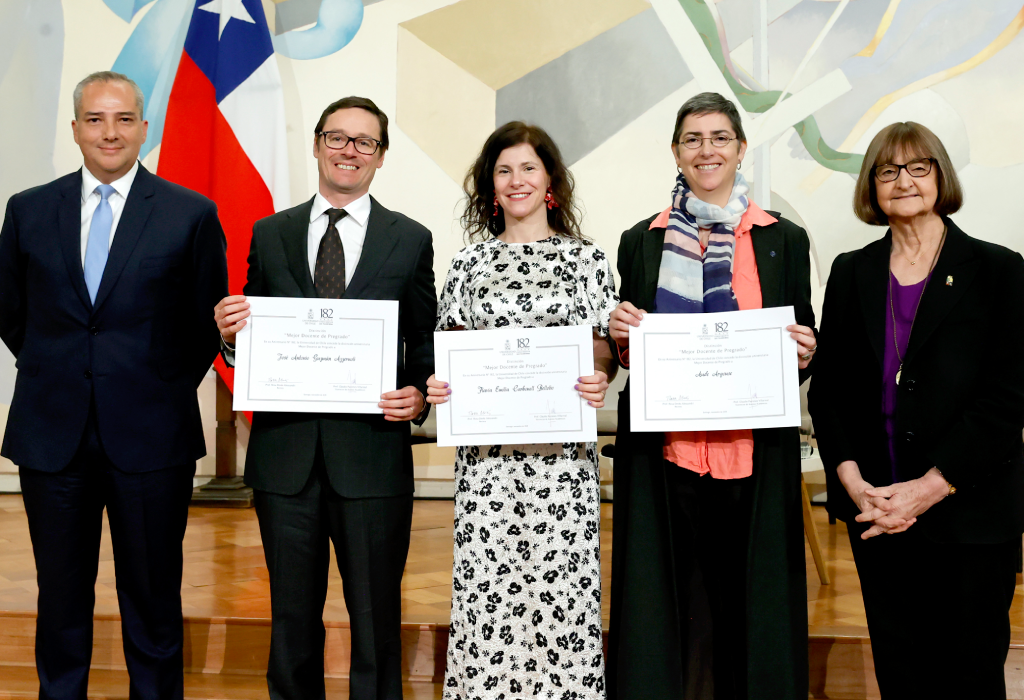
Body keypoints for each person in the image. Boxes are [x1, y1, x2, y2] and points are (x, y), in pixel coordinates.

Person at [0, 71, 228, 700]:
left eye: (124, 118)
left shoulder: (189, 214)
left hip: (152, 438)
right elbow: (13, 314)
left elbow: (205, 324)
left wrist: (155, 383)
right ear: (75, 129)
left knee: (153, 600)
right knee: (61, 599)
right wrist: (67, 371)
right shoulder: (28, 210)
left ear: (143, 129)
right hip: (53, 436)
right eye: (96, 119)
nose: (110, 132)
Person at [214, 97, 435, 700]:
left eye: (365, 142)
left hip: (371, 460)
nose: (349, 151)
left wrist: (417, 395)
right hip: (286, 460)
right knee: (289, 620)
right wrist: (232, 340)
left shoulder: (410, 238)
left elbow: (423, 342)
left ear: (381, 157)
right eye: (337, 137)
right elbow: (255, 341)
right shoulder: (271, 232)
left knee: (374, 620)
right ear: (316, 146)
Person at [606, 92, 816, 700]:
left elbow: (801, 337)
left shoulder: (784, 239)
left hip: (753, 454)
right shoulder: (640, 240)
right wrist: (622, 338)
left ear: (741, 148)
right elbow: (633, 347)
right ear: (676, 152)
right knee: (674, 606)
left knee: (754, 602)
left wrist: (806, 350)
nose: (707, 149)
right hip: (668, 454)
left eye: (719, 137)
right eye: (693, 139)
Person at [808, 122, 1024, 698]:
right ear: (872, 185)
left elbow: (1008, 399)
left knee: (970, 677)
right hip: (876, 510)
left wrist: (930, 487)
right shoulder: (852, 271)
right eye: (888, 170)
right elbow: (828, 389)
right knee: (901, 675)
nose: (903, 180)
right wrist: (852, 482)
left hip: (969, 510)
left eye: (918, 167)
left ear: (941, 176)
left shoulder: (1000, 270)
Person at [426, 122, 617, 700]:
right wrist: (442, 385)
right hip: (487, 468)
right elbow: (450, 349)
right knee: (488, 594)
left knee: (563, 596)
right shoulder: (467, 266)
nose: (517, 181)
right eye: (504, 170)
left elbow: (605, 344)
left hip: (562, 468)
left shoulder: (588, 261)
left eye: (529, 168)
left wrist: (599, 376)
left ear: (551, 180)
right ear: (490, 186)